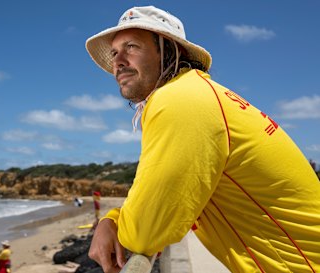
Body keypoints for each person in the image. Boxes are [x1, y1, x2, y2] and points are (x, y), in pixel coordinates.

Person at [85, 6, 320, 273]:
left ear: (171, 50)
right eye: (115, 52)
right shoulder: (198, 93)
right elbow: (153, 191)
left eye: (132, 47)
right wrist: (111, 218)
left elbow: (145, 232)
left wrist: (112, 224)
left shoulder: (181, 100)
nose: (118, 61)